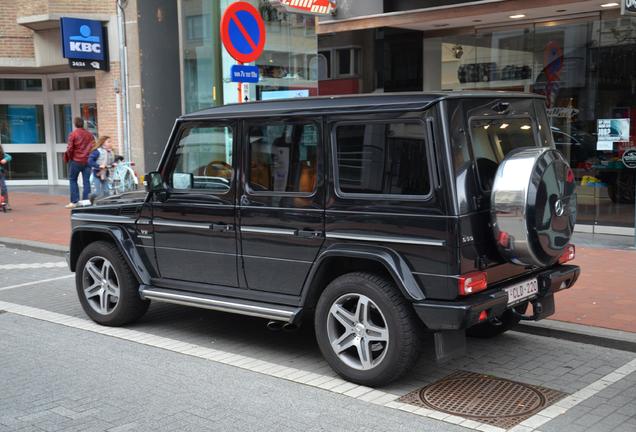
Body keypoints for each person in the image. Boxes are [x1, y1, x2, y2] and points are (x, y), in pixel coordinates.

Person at [64, 117, 95, 208]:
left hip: (76, 161)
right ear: (83, 124)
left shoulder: (73, 134)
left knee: (73, 180)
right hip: (87, 161)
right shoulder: (90, 135)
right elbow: (93, 147)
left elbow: (70, 148)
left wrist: (69, 158)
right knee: (86, 182)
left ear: (75, 124)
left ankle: (74, 202)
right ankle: (86, 202)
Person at [0, 144, 12, 210]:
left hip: (1, 174)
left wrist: (5, 160)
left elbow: (9, 157)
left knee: (3, 188)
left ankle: (5, 203)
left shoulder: (2, 154)